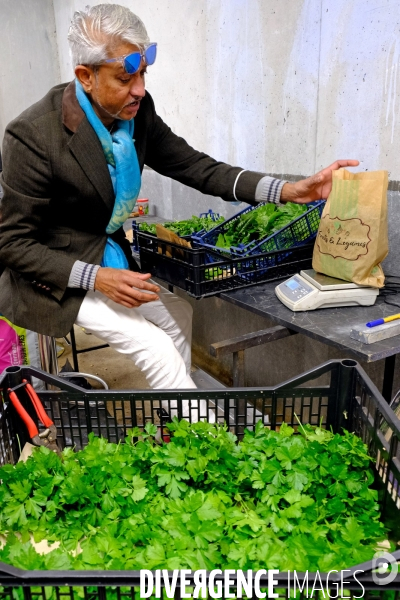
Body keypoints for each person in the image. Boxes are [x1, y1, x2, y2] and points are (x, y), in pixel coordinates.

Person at [0, 4, 358, 392]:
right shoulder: (33, 135)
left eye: (143, 74)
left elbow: (196, 167)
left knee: (178, 314)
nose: (139, 89)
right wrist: (97, 278)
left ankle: (177, 426)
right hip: (53, 276)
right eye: (125, 77)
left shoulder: (137, 113)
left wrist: (289, 191)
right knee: (153, 345)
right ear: (86, 76)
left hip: (106, 255)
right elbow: (12, 242)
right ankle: (203, 442)